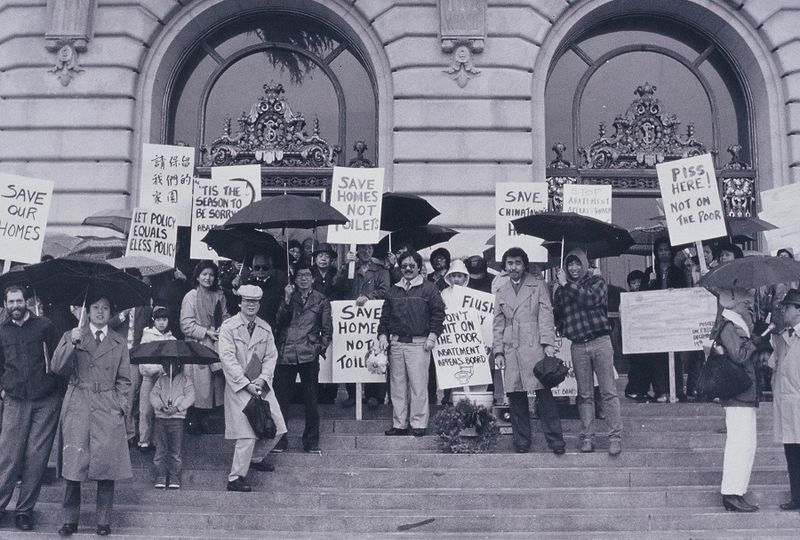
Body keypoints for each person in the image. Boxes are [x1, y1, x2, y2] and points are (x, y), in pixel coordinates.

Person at [51, 295, 132, 537]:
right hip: (79, 402)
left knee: (107, 468)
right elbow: (56, 367)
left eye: (105, 308)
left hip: (108, 405)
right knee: (73, 466)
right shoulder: (72, 335)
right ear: (87, 311)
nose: (99, 312)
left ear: (111, 313)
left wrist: (120, 405)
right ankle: (69, 520)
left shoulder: (119, 341)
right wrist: (71, 344)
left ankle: (103, 521)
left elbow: (125, 380)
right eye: (95, 307)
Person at [0, 285, 62, 532]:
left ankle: (24, 511)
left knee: (36, 458)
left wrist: (56, 390)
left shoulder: (45, 326)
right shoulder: (1, 331)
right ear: (5, 305)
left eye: (19, 301)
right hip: (15, 399)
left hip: (45, 400)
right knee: (8, 456)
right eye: (11, 302)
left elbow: (59, 360)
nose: (15, 305)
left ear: (26, 301)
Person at [493, 248, 565, 455]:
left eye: (517, 263)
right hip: (511, 347)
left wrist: (548, 343)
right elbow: (497, 323)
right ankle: (521, 441)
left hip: (534, 344)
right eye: (509, 263)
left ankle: (555, 440)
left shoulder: (538, 285)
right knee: (516, 396)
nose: (513, 267)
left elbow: (546, 315)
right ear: (505, 267)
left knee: (544, 394)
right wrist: (498, 351)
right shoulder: (501, 291)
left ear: (524, 265)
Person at [218, 285, 287, 493]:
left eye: (255, 302)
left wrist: (263, 379)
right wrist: (245, 383)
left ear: (259, 304)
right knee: (246, 434)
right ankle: (236, 477)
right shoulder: (228, 327)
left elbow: (270, 357)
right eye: (247, 301)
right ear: (239, 302)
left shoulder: (265, 328)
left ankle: (256, 458)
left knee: (279, 427)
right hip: (238, 387)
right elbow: (227, 359)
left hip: (260, 385)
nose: (251, 305)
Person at [553, 247, 623, 455]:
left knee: (608, 392)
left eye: (577, 263)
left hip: (600, 341)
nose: (574, 268)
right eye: (570, 264)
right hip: (578, 345)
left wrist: (567, 284)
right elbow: (559, 314)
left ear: (585, 264)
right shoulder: (561, 288)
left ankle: (615, 437)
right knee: (584, 395)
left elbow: (591, 300)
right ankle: (588, 437)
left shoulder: (597, 281)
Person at [711, 286, 768, 512]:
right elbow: (739, 355)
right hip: (738, 393)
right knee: (739, 444)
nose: (749, 306)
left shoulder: (736, 324)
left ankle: (737, 491)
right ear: (734, 303)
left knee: (746, 445)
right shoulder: (728, 326)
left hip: (745, 392)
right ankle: (731, 492)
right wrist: (756, 341)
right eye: (745, 303)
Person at [378, 251, 445, 437]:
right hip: (397, 344)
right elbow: (384, 318)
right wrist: (382, 336)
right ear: (400, 267)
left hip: (419, 344)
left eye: (412, 266)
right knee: (397, 386)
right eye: (404, 265)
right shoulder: (393, 290)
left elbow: (439, 314)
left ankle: (418, 423)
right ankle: (399, 424)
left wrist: (432, 336)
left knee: (418, 385)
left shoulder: (429, 289)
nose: (408, 269)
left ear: (418, 268)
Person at [273, 262, 332, 453]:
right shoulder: (288, 296)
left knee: (311, 400)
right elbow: (279, 322)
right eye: (300, 275)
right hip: (287, 353)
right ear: (295, 278)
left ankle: (311, 441)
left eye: (307, 275)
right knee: (282, 399)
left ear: (313, 278)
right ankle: (280, 441)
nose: (304, 279)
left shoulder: (321, 300)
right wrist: (287, 300)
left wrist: (318, 349)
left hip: (308, 353)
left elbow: (327, 329)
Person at [335, 244, 390, 408]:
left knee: (375, 350)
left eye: (370, 249)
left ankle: (374, 394)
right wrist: (345, 266)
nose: (366, 252)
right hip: (353, 320)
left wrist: (368, 296)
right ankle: (353, 393)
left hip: (373, 318)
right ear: (356, 251)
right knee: (353, 353)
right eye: (363, 249)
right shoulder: (351, 268)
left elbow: (385, 290)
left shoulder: (380, 270)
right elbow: (338, 286)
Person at [180, 261, 228, 435]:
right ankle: (194, 420)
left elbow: (225, 316)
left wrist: (222, 328)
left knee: (214, 387)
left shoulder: (219, 295)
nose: (208, 278)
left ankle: (206, 419)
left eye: (211, 275)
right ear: (198, 276)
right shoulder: (191, 296)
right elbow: (185, 325)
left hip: (215, 345)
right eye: (204, 274)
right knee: (198, 387)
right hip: (197, 347)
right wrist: (206, 332)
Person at [644, 237, 688, 402]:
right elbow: (642, 294)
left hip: (673, 317)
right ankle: (660, 391)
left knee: (675, 355)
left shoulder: (678, 272)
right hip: (655, 319)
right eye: (660, 250)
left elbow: (684, 291)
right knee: (657, 355)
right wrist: (650, 282)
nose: (663, 253)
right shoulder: (650, 271)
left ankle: (677, 390)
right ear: (656, 252)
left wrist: (673, 292)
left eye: (666, 250)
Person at [769, 288, 800, 510]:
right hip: (787, 406)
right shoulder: (783, 337)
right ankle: (797, 498)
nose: (784, 311)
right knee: (792, 455)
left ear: (798, 311)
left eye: (788, 307)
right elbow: (772, 364)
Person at [150, 360, 195, 489]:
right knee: (161, 449)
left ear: (178, 365)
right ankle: (161, 475)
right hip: (161, 418)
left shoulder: (186, 380)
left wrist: (178, 408)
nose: (168, 367)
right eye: (165, 364)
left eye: (171, 364)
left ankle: (174, 475)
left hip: (177, 419)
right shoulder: (161, 380)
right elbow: (153, 395)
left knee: (176, 450)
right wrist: (160, 406)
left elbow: (190, 396)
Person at [137, 306, 176, 451]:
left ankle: (157, 440)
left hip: (164, 380)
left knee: (160, 410)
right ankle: (144, 440)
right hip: (149, 378)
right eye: (158, 319)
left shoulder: (172, 339)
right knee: (146, 410)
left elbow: (175, 362)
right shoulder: (147, 337)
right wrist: (158, 368)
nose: (161, 323)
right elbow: (143, 363)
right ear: (153, 320)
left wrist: (169, 370)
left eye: (164, 319)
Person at [242, 252, 287, 330]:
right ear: (252, 268)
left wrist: (287, 297)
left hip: (269, 327)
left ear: (271, 268)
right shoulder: (246, 285)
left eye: (265, 267)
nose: (261, 270)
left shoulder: (278, 286)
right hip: (248, 327)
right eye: (257, 267)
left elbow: (282, 313)